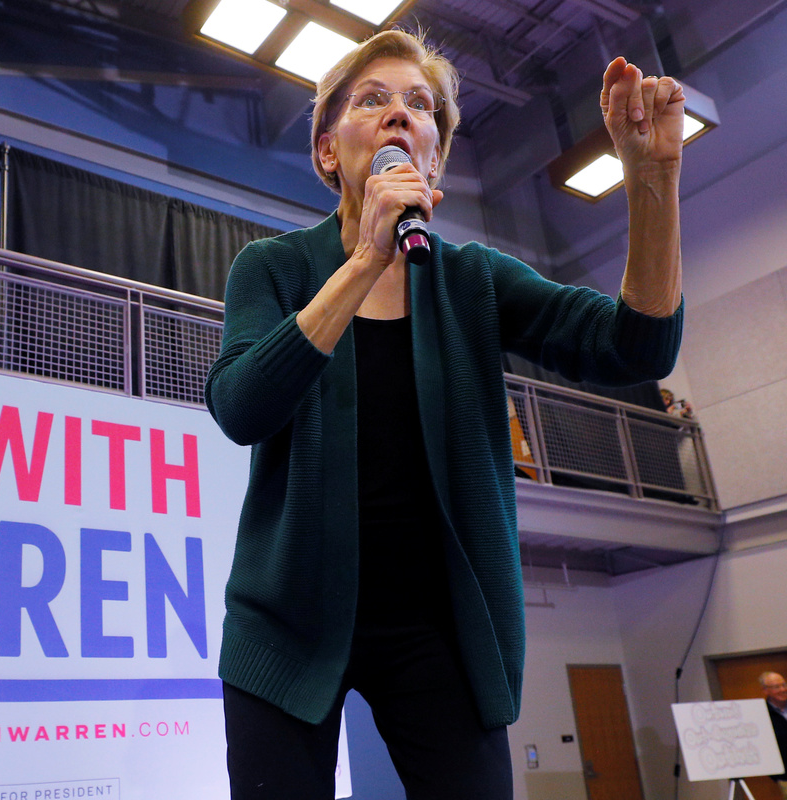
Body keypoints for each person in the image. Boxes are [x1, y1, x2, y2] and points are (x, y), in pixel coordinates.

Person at [205, 28, 685, 800]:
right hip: (287, 618)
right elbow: (241, 406)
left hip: (441, 628)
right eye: (373, 100)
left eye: (420, 105)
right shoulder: (272, 268)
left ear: (433, 162)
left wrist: (652, 180)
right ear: (328, 152)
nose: (400, 113)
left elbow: (638, 347)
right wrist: (366, 259)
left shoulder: (471, 279)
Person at [761, 671, 787, 797]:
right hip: (785, 777)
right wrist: (776, 775)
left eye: (784, 685)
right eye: (777, 687)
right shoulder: (762, 714)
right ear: (765, 690)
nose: (782, 689)